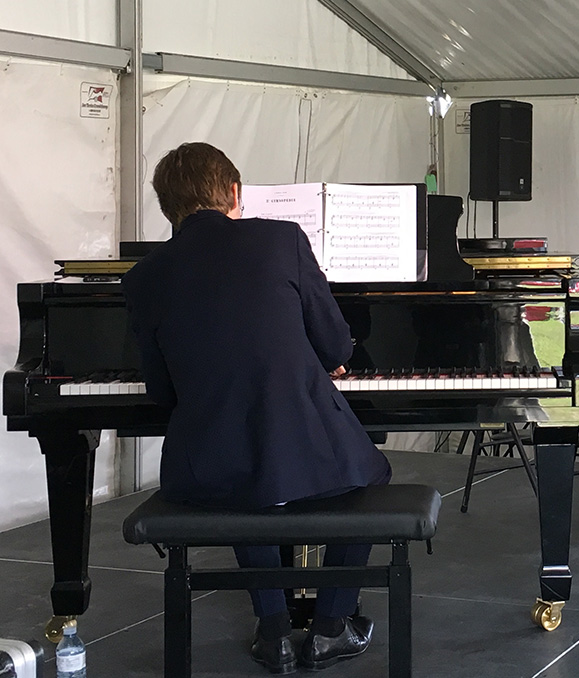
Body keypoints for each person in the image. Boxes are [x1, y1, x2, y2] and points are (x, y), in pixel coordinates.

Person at [122, 142, 392, 674]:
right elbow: (337, 347)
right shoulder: (282, 238)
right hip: (299, 438)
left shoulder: (144, 277)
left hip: (206, 459)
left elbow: (161, 391)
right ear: (234, 193)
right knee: (370, 478)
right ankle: (331, 628)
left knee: (245, 484)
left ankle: (274, 633)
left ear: (165, 206)